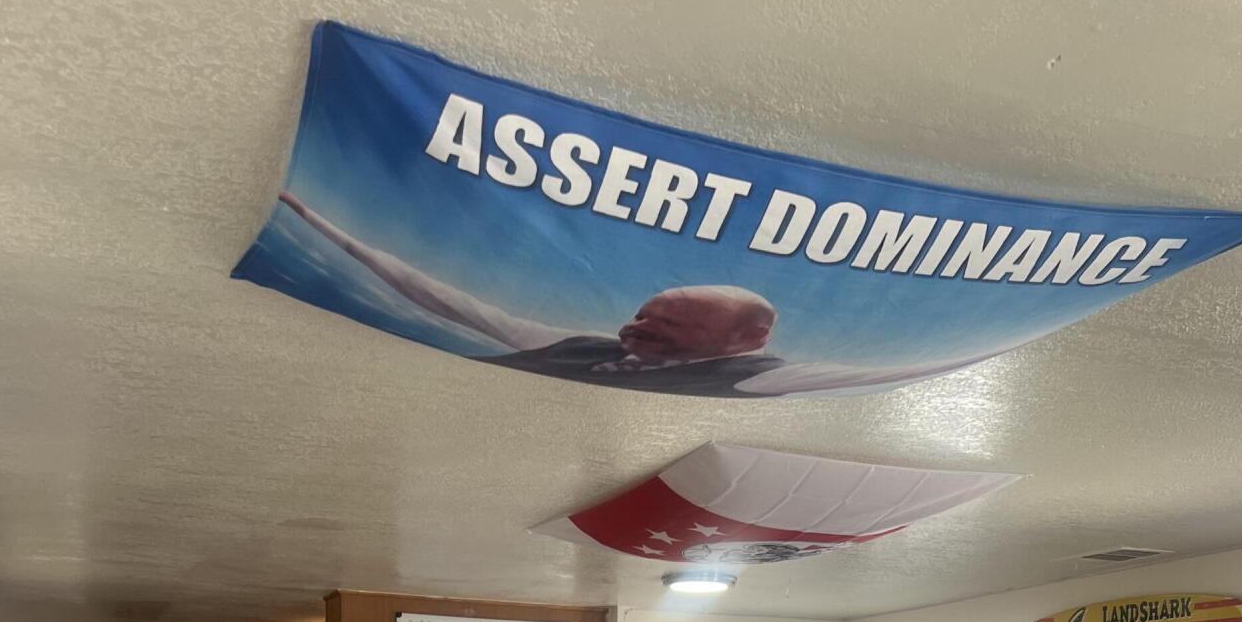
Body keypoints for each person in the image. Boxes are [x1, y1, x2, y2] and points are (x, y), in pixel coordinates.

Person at [276, 192, 977, 398]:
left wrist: (973, 353)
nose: (638, 327)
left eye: (669, 324)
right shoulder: (577, 347)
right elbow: (447, 303)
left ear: (745, 340)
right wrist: (329, 227)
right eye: (645, 312)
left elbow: (884, 371)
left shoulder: (765, 379)